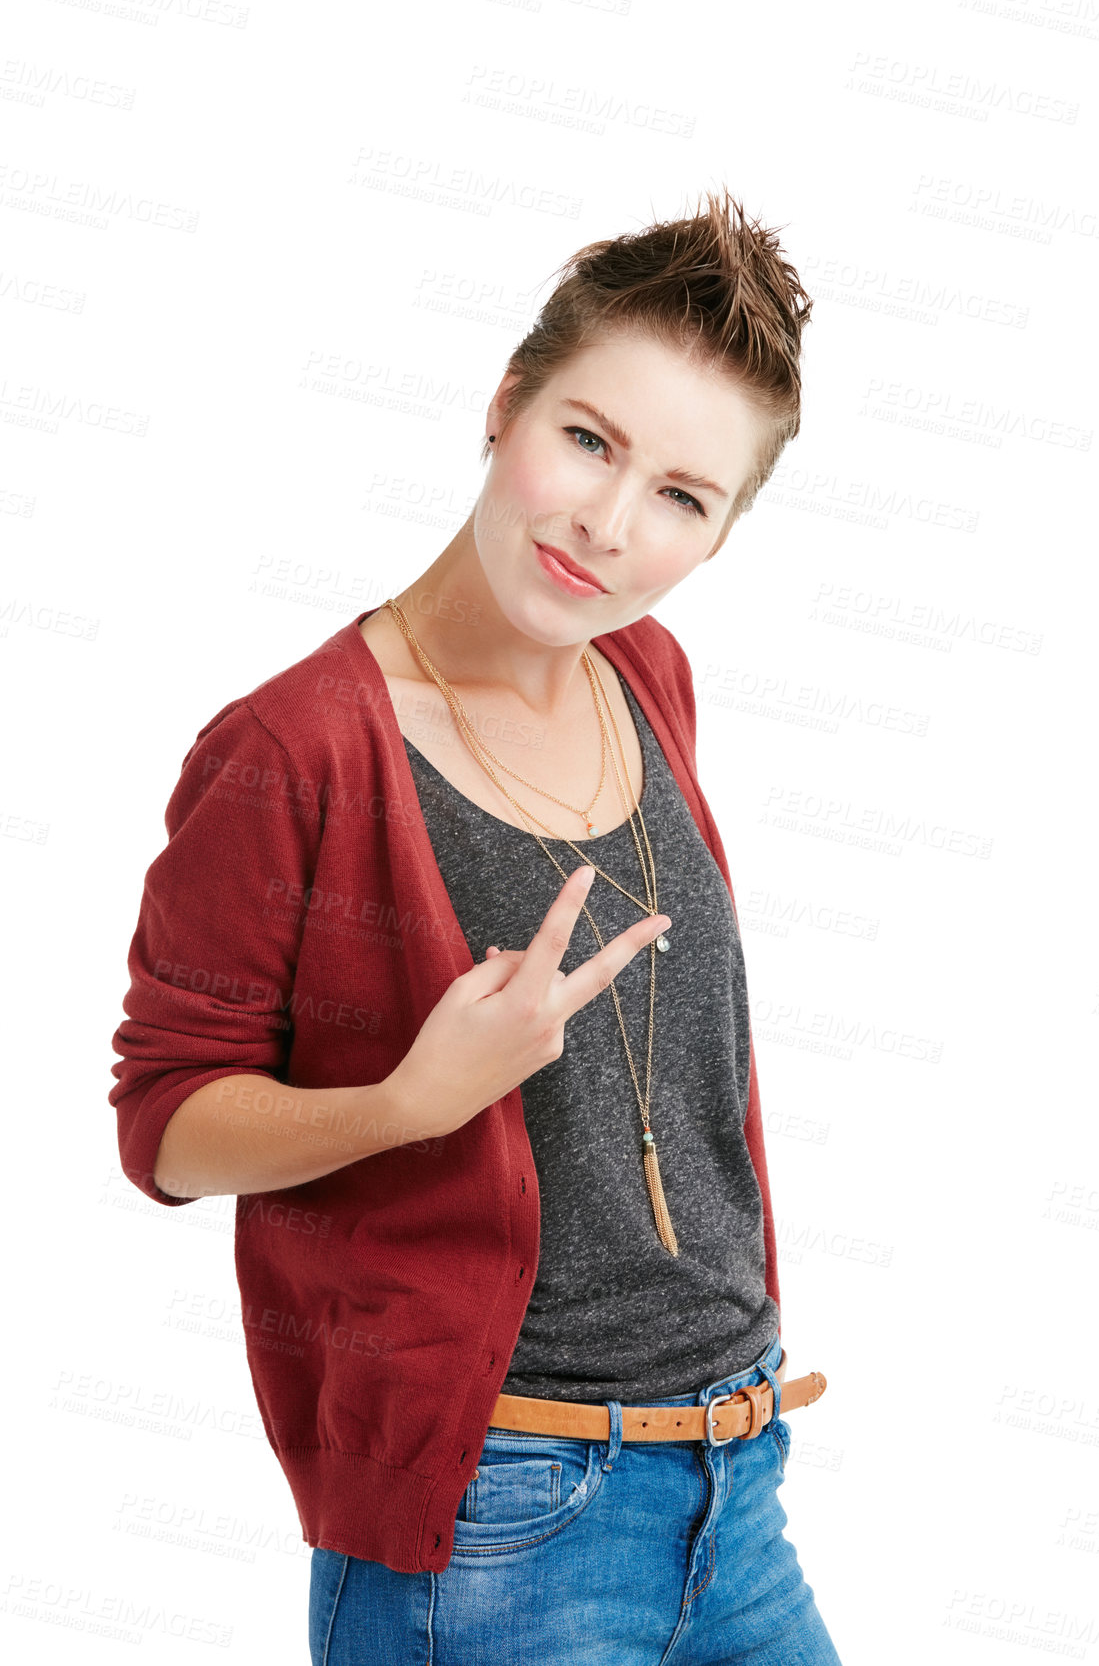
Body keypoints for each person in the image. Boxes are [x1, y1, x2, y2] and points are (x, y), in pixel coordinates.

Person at [109, 189, 843, 1663]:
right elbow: (165, 1122)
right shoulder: (295, 749)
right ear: (505, 406)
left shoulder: (648, 675)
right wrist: (404, 1104)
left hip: (735, 1484)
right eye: (587, 439)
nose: (605, 526)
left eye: (681, 499)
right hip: (504, 1520)